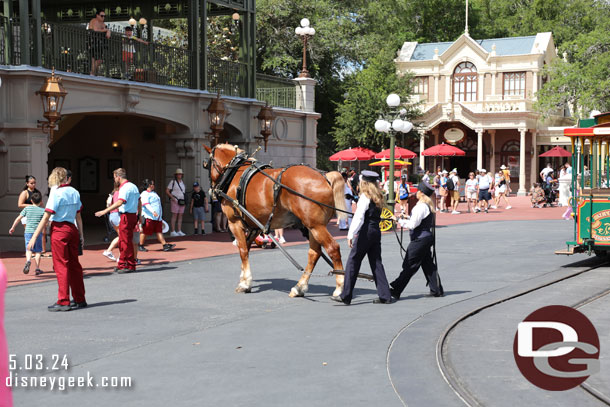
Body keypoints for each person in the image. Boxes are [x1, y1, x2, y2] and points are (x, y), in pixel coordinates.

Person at [331, 170, 393, 305]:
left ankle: (346, 295)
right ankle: (385, 295)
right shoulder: (378, 196)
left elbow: (359, 217)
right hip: (376, 230)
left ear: (364, 182)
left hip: (366, 231)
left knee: (353, 261)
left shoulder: (365, 196)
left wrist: (350, 234)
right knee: (376, 262)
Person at [28, 167, 86, 311]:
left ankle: (63, 300)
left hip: (60, 229)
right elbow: (78, 215)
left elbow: (47, 215)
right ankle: (80, 298)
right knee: (74, 265)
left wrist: (35, 235)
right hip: (72, 229)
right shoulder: (75, 192)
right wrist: (81, 234)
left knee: (61, 265)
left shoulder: (57, 193)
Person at [390, 181, 443, 299]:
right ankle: (437, 289)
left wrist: (398, 220)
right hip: (425, 238)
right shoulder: (426, 206)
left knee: (409, 264)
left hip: (420, 240)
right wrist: (406, 217)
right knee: (428, 264)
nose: (416, 193)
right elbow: (418, 220)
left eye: (418, 191)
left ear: (421, 193)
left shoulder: (420, 207)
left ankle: (396, 289)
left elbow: (413, 224)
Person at [95, 168, 140, 273]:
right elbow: (139, 201)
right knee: (126, 240)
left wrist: (105, 210)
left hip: (126, 216)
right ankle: (124, 263)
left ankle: (128, 265)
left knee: (125, 241)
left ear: (118, 177)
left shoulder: (124, 188)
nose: (114, 180)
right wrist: (140, 215)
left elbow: (120, 202)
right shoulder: (134, 186)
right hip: (133, 215)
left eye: (115, 177)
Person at [9, 191, 45, 275]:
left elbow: (18, 218)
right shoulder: (43, 210)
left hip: (28, 231)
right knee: (38, 251)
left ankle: (28, 260)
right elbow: (46, 222)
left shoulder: (27, 208)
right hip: (38, 233)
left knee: (29, 249)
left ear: (31, 201)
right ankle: (37, 268)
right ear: (41, 201)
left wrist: (13, 227)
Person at [139, 179, 175, 252]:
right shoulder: (144, 194)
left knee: (159, 231)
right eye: (152, 184)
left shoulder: (154, 193)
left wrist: (159, 216)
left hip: (157, 218)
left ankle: (165, 245)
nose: (154, 185)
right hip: (148, 216)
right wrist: (153, 211)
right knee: (145, 231)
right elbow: (146, 204)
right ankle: (140, 245)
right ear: (149, 185)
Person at [88, 10, 111, 76]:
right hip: (93, 41)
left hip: (99, 43)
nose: (103, 17)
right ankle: (92, 73)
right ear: (97, 15)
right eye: (101, 16)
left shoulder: (102, 23)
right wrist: (106, 30)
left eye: (104, 16)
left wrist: (108, 31)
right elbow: (95, 29)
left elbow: (107, 34)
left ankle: (94, 73)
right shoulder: (94, 20)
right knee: (95, 59)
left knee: (98, 60)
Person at [102, 181, 120, 261]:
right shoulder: (119, 193)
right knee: (123, 237)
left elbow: (108, 204)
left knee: (121, 236)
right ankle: (120, 256)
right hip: (117, 215)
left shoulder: (113, 193)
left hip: (112, 215)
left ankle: (109, 251)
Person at [166, 168, 186, 237]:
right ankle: (173, 231)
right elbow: (167, 191)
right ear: (176, 175)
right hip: (175, 200)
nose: (180, 175)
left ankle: (179, 230)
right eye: (178, 174)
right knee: (174, 215)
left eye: (181, 174)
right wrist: (172, 197)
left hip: (182, 201)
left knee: (180, 215)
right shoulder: (173, 182)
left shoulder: (182, 182)